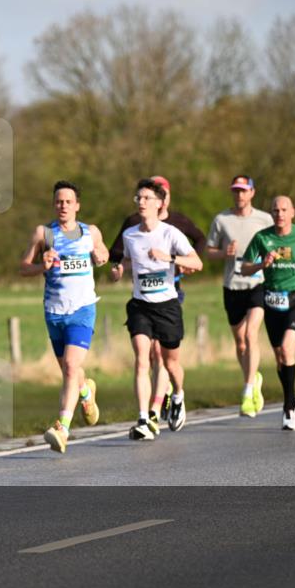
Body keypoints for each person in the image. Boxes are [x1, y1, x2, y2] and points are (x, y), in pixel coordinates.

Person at [109, 175, 206, 425]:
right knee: (142, 358)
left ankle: (178, 396)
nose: (141, 202)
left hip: (167, 306)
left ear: (159, 203)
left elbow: (197, 262)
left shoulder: (171, 233)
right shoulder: (130, 235)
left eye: (146, 198)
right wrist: (119, 269)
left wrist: (170, 258)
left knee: (170, 363)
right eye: (138, 197)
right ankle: (144, 418)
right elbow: (127, 260)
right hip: (140, 305)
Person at [20, 180, 108, 453]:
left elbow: (103, 253)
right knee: (70, 371)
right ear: (53, 204)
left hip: (82, 309)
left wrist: (101, 255)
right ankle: (86, 392)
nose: (63, 206)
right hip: (54, 312)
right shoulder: (44, 233)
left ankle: (63, 428)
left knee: (70, 367)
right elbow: (23, 267)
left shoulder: (89, 232)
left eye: (69, 201)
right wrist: (40, 266)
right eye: (59, 201)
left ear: (77, 206)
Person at [240, 196, 295, 431]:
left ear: (292, 213)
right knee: (280, 357)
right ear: (271, 213)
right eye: (275, 210)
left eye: (284, 210)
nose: (279, 214)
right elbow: (244, 267)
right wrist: (261, 265)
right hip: (272, 300)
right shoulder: (262, 238)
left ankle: (288, 406)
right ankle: (293, 400)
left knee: (288, 348)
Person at [206, 175, 275, 418]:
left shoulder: (265, 219)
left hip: (257, 284)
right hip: (232, 286)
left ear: (252, 193)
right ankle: (253, 377)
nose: (239, 195)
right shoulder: (221, 220)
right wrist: (224, 252)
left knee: (250, 334)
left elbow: (277, 243)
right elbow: (209, 252)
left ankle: (247, 392)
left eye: (244, 191)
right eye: (236, 191)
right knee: (241, 343)